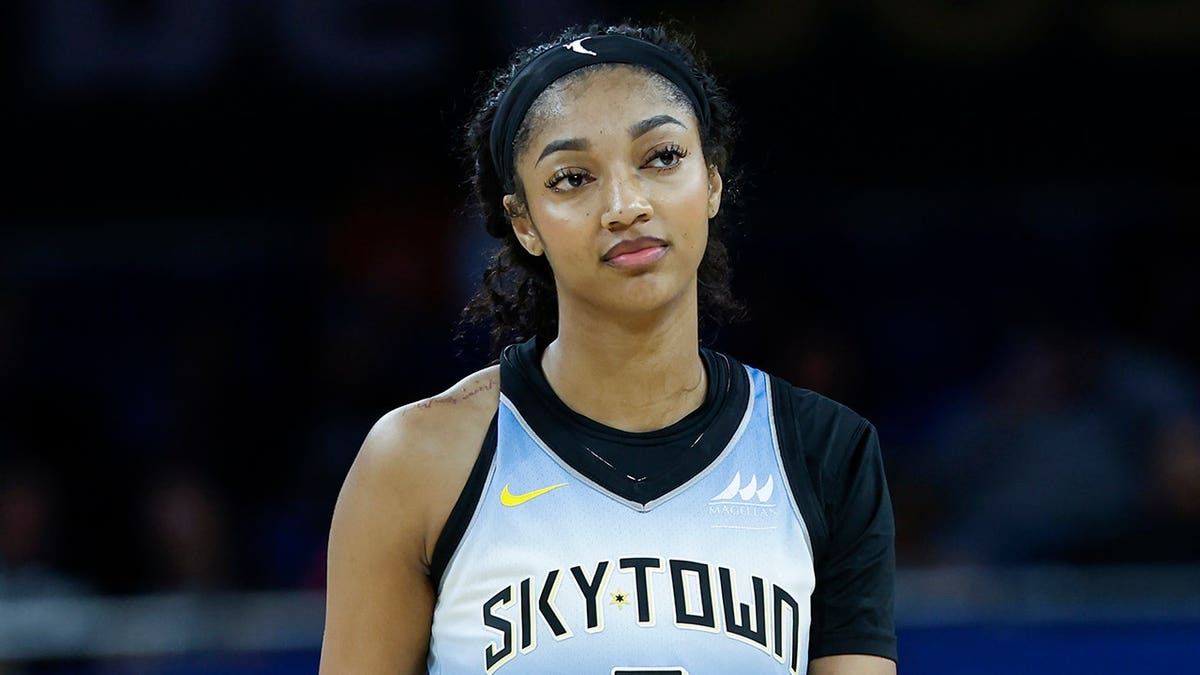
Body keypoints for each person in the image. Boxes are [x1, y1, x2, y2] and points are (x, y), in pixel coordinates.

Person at [320, 20, 896, 675]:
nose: (624, 205)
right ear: (524, 222)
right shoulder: (415, 460)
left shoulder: (826, 452)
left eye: (661, 157)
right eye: (572, 177)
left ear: (711, 180)